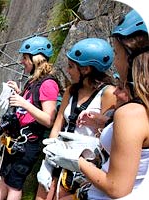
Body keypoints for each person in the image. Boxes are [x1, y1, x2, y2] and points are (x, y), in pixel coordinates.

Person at [44, 10, 149, 199]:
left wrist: (76, 160)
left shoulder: (131, 112)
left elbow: (116, 188)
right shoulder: (140, 108)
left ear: (132, 59)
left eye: (117, 53)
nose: (115, 62)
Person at [35, 38, 116, 200]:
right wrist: (49, 157)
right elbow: (59, 122)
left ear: (85, 69)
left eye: (71, 66)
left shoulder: (108, 93)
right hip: (59, 154)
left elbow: (107, 133)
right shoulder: (71, 91)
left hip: (82, 162)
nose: (68, 70)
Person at [0, 36, 60, 200]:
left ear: (36, 59)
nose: (22, 62)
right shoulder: (34, 82)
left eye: (25, 58)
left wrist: (23, 103)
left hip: (28, 143)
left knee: (14, 185)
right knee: (4, 179)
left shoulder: (48, 84)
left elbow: (48, 119)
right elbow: (32, 104)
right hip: (16, 140)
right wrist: (19, 93)